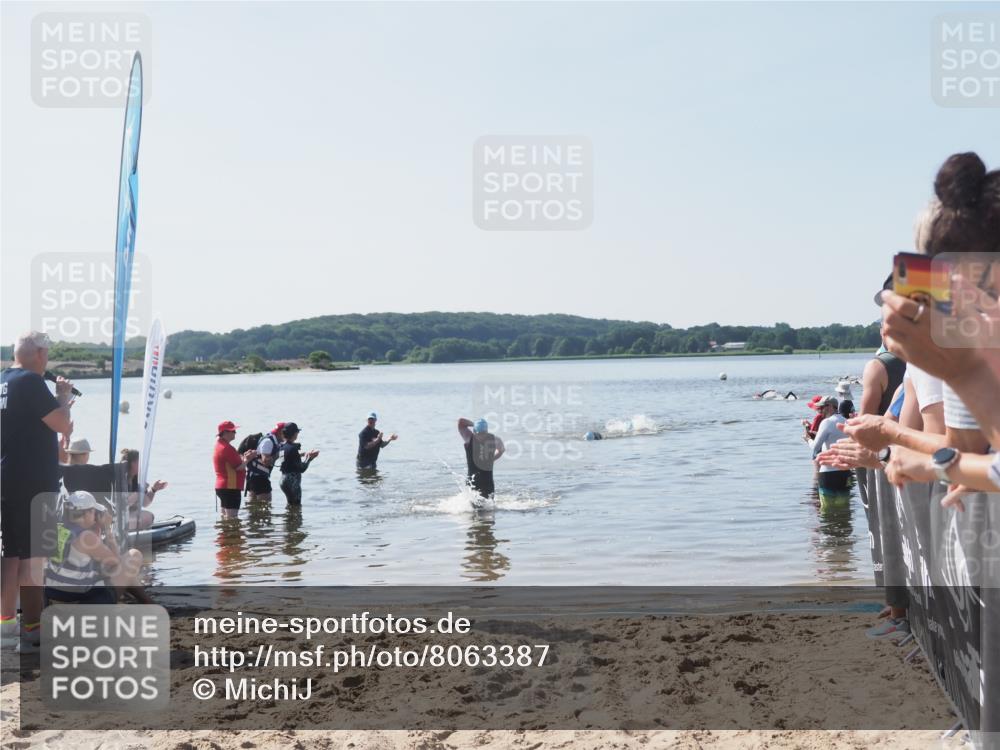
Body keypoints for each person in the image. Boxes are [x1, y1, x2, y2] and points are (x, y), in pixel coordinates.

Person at [1, 331, 74, 653]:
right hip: (34, 482)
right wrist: (62, 397)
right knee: (34, 557)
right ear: (42, 354)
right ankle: (33, 630)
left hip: (8, 477)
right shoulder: (31, 382)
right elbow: (62, 425)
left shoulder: (4, 380)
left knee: (12, 554)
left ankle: (6, 627)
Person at [44, 491, 150, 605]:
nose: (95, 516)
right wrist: (108, 528)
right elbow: (116, 562)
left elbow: (87, 561)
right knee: (134, 555)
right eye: (94, 512)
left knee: (117, 572)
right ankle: (148, 602)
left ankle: (148, 602)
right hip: (81, 600)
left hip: (56, 594)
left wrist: (96, 530)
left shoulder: (58, 529)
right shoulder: (86, 537)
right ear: (87, 513)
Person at [62, 442, 166, 530]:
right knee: (147, 516)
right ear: (134, 463)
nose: (144, 465)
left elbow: (145, 503)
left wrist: (153, 489)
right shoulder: (116, 476)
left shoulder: (135, 479)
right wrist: (136, 496)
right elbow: (119, 505)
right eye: (141, 462)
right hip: (111, 518)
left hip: (117, 516)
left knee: (148, 515)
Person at [214, 420, 256, 519]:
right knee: (232, 519)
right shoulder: (227, 448)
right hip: (230, 487)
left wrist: (244, 457)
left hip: (222, 487)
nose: (235, 433)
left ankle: (225, 534)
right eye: (233, 431)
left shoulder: (219, 445)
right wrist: (248, 459)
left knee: (225, 518)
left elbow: (232, 463)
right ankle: (231, 534)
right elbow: (238, 467)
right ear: (225, 433)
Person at [458, 417, 505, 501]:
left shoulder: (470, 438)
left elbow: (461, 423)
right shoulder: (493, 440)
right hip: (479, 484)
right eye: (479, 434)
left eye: (483, 433)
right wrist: (492, 459)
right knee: (478, 511)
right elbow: (501, 450)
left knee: (483, 511)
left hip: (482, 485)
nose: (481, 436)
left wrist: (473, 424)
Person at [812, 400, 854, 493]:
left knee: (828, 506)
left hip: (828, 471)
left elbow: (815, 447)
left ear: (830, 406)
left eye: (822, 407)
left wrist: (808, 440)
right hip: (845, 471)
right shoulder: (846, 421)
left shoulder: (826, 422)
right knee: (845, 505)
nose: (820, 410)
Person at [278, 422, 319, 505]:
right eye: (297, 432)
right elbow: (302, 469)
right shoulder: (293, 449)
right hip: (292, 482)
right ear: (294, 434)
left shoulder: (282, 447)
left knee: (290, 505)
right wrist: (310, 458)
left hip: (283, 480)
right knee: (296, 506)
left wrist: (300, 455)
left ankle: (288, 518)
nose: (298, 434)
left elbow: (284, 460)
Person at [246, 422, 286, 503]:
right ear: (280, 432)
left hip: (255, 476)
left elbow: (280, 458)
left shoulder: (276, 442)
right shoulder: (268, 442)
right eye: (286, 432)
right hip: (259, 477)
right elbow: (266, 461)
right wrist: (279, 454)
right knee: (266, 505)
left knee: (252, 506)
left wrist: (302, 455)